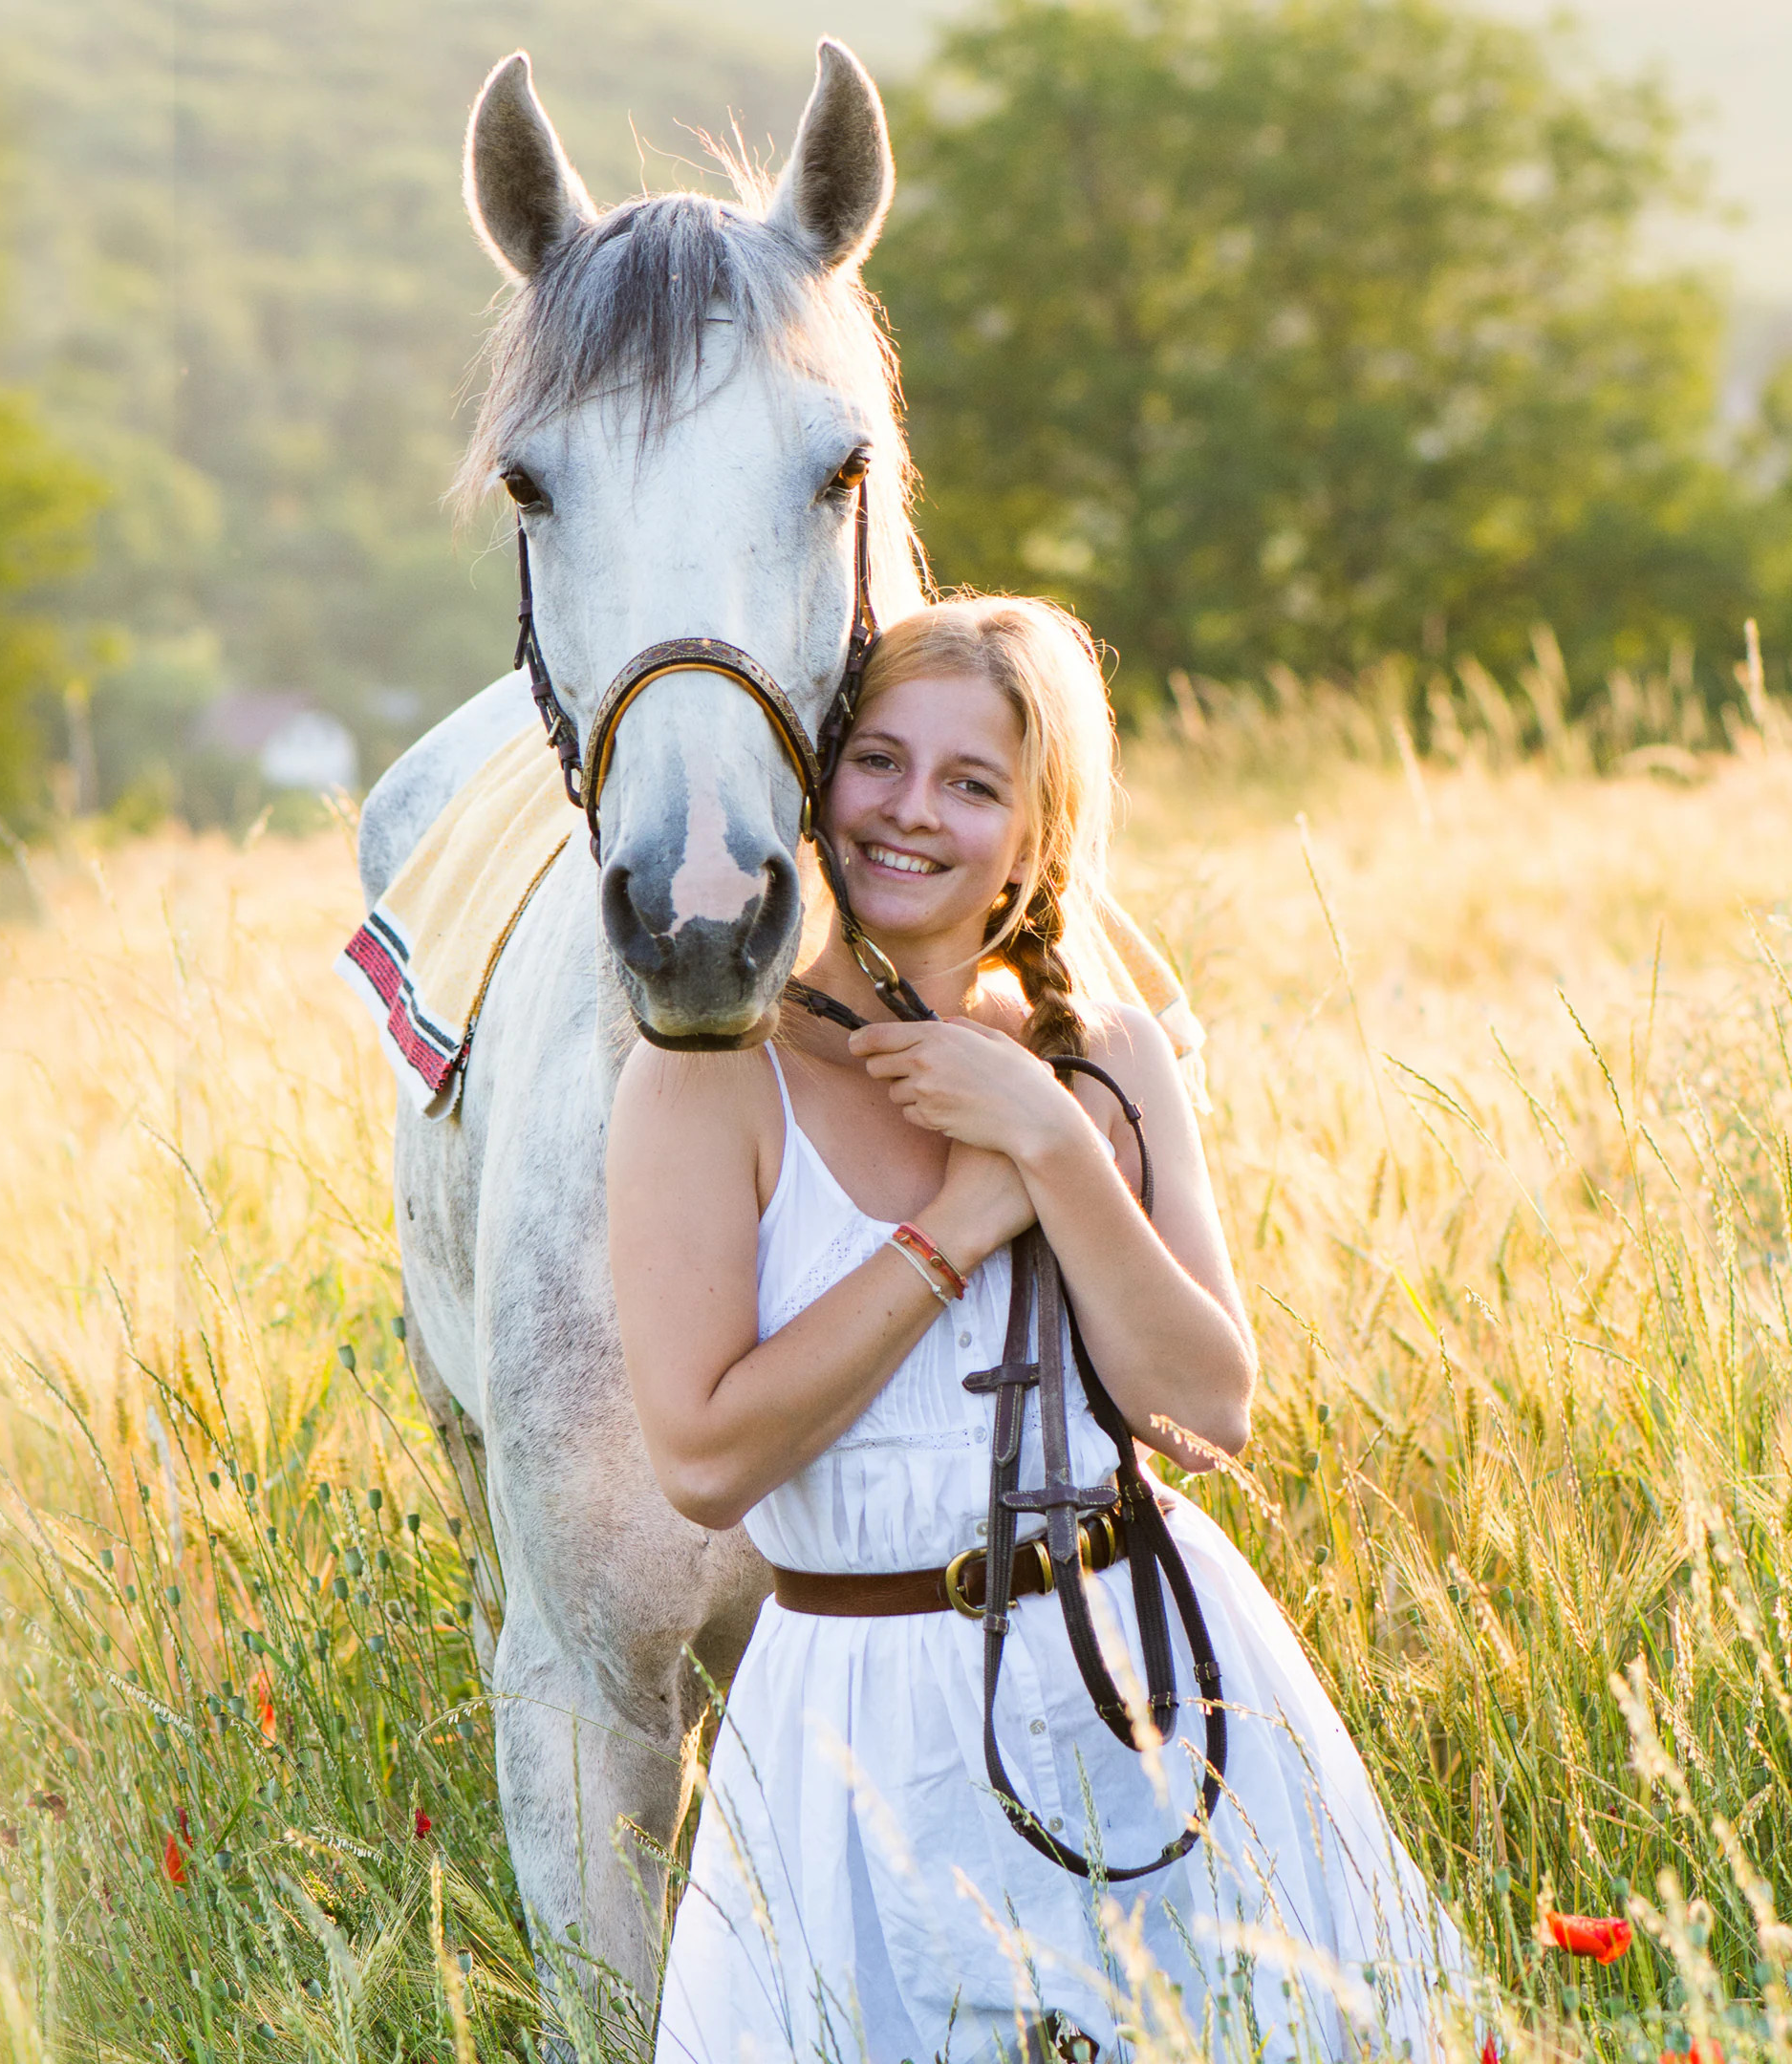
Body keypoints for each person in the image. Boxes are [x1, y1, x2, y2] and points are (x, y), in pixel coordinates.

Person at [607, 597, 1463, 2058]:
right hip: (858, 1725)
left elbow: (1203, 1414)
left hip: (1139, 1675)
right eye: (877, 760)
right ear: (818, 780)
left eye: (972, 783)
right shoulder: (710, 1079)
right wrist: (958, 1225)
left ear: (1037, 833)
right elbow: (701, 1459)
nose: (908, 813)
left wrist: (1056, 1156)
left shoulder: (1109, 1054)